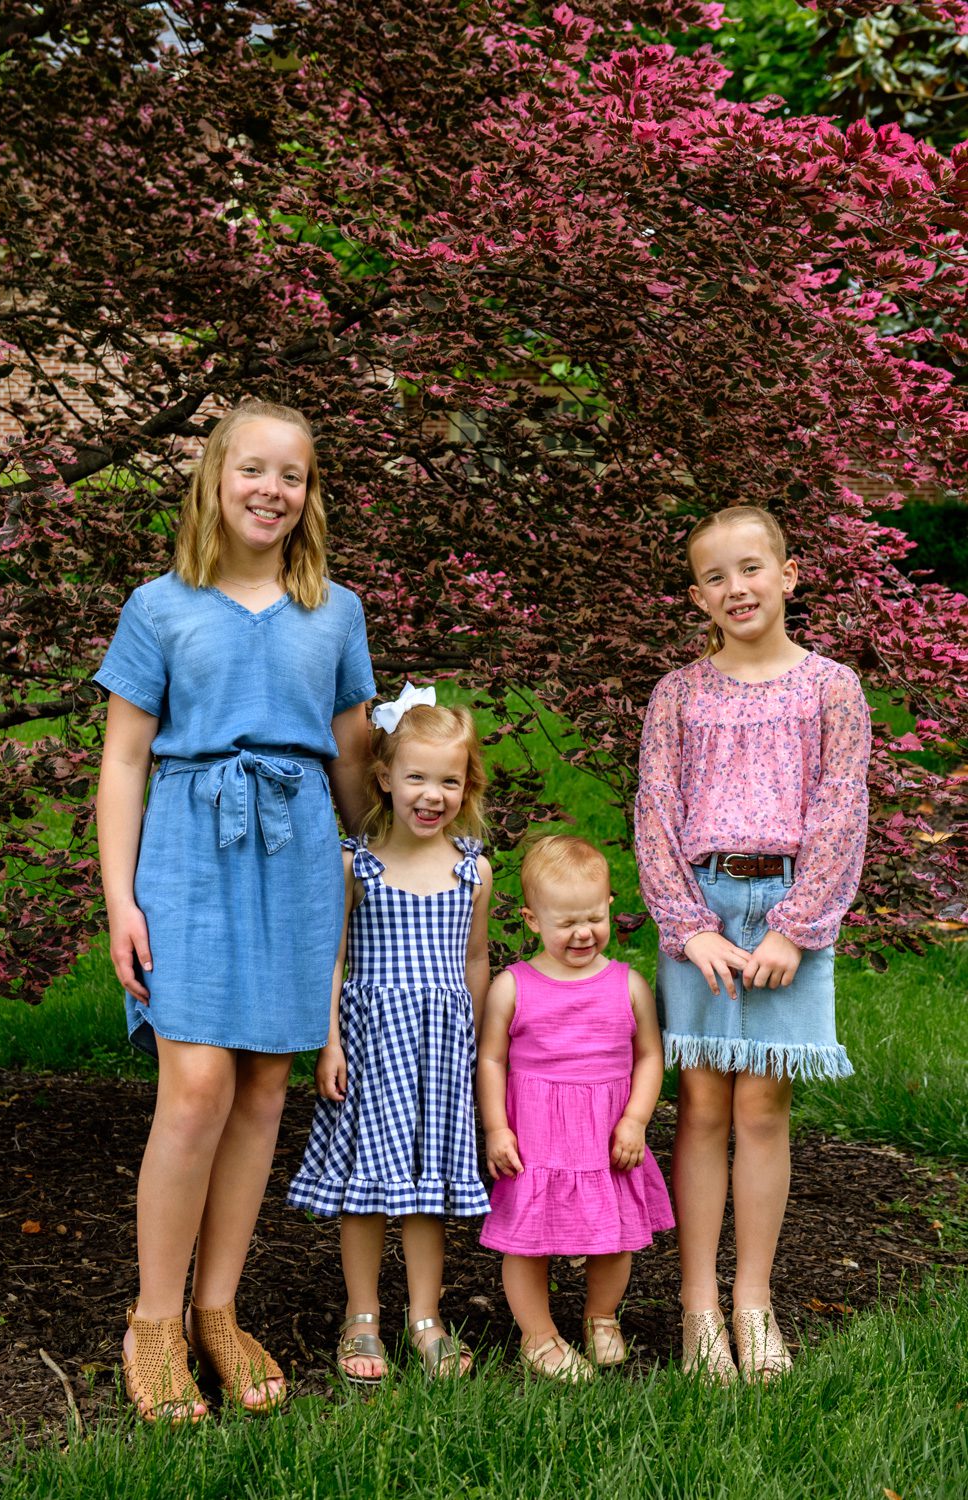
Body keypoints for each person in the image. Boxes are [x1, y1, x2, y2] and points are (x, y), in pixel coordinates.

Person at [95, 399, 375, 1421]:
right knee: (198, 1088)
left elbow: (351, 756)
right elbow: (124, 760)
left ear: (308, 498)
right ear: (216, 480)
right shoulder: (160, 606)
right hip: (188, 852)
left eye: (291, 476)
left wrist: (400, 836)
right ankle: (155, 1320)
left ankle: (220, 1310)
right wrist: (120, 898)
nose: (271, 489)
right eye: (251, 469)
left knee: (263, 1090)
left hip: (298, 859)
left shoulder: (335, 611)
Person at [635, 504, 871, 1383]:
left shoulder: (830, 689)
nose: (737, 588)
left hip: (787, 909)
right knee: (699, 1107)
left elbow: (842, 811)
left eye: (751, 569)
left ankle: (753, 1303)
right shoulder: (680, 694)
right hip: (699, 910)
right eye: (715, 576)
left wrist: (795, 929)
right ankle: (699, 1310)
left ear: (788, 574)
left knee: (762, 1108)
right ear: (697, 594)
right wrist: (690, 927)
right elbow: (654, 814)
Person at [287, 684, 492, 1384]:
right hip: (371, 1048)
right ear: (383, 777)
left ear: (466, 788)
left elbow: (474, 960)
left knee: (428, 1188)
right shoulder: (357, 865)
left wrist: (479, 1046)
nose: (431, 794)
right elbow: (334, 958)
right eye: (416, 777)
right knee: (368, 1189)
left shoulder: (472, 871)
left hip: (441, 1051)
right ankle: (363, 1316)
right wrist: (329, 1042)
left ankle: (426, 1317)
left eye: (448, 780)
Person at [477, 834, 674, 1383]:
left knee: (614, 1233)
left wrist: (635, 1119)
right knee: (528, 1239)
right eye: (565, 922)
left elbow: (650, 1057)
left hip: (607, 1133)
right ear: (532, 920)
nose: (582, 933)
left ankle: (601, 1318)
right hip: (537, 1135)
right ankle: (538, 1338)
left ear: (610, 904)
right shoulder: (512, 986)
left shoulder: (627, 986)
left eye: (592, 916)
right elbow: (491, 1060)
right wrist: (496, 1127)